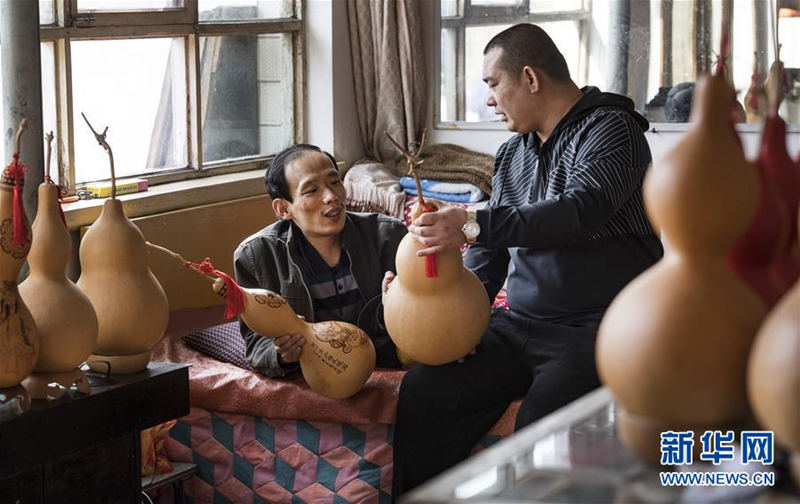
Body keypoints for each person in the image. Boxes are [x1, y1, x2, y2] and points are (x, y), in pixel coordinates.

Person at [391, 23, 664, 496]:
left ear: (530, 78)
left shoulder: (613, 131)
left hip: (596, 329)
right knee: (424, 392)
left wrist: (471, 221)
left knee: (543, 431)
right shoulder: (512, 154)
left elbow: (578, 213)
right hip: (517, 325)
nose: (490, 100)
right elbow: (492, 251)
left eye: (493, 85)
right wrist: (466, 321)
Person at [233, 144, 408, 376]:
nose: (332, 196)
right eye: (311, 190)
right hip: (319, 372)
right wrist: (282, 354)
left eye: (335, 182)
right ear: (284, 208)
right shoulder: (256, 256)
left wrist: (397, 306)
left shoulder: (388, 236)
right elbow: (257, 343)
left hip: (383, 358)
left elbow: (423, 317)